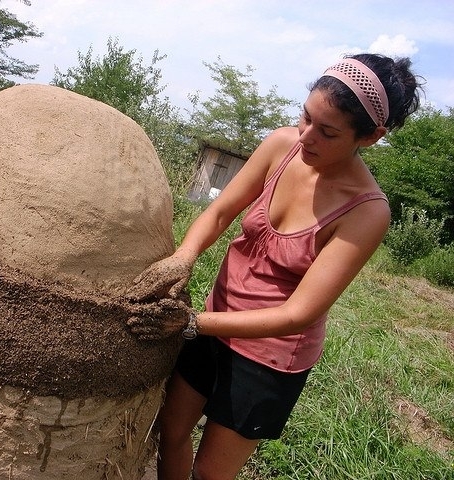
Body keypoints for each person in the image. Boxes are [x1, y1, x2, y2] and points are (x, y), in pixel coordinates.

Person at [126, 53, 422, 480]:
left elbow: (296, 314)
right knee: (168, 433)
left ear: (370, 138)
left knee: (211, 473)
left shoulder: (366, 211)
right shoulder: (283, 145)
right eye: (305, 117)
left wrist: (191, 323)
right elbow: (219, 213)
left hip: (267, 357)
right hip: (209, 322)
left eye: (327, 132)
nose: (306, 137)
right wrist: (183, 259)